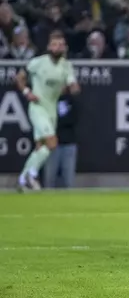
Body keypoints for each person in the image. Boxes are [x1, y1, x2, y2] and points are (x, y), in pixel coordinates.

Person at [15, 31, 80, 191]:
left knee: (40, 147)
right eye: (55, 44)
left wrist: (73, 88)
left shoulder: (66, 66)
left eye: (61, 45)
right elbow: (20, 77)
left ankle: (22, 180)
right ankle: (31, 174)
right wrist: (26, 92)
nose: (58, 47)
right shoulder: (38, 62)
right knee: (52, 143)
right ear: (49, 46)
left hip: (52, 111)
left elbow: (71, 85)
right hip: (38, 108)